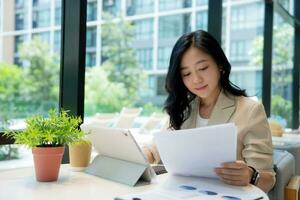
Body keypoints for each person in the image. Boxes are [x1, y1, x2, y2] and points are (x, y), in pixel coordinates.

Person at [143, 30, 275, 193]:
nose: (196, 79)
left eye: (203, 68)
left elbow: (268, 178)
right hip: (184, 193)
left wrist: (251, 175)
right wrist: (144, 154)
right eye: (186, 73)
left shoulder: (250, 110)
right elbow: (157, 148)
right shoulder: (183, 108)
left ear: (219, 65)